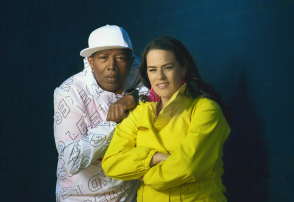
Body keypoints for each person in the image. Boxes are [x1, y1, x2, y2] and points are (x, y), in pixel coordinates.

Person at [102, 36, 231, 202]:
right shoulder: (139, 112)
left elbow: (187, 166)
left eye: (167, 67)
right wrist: (154, 157)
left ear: (183, 67)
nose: (160, 76)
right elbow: (111, 163)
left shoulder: (205, 109)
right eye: (153, 69)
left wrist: (145, 175)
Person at [53, 25, 147, 202]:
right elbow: (71, 161)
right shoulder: (69, 92)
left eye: (120, 58)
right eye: (103, 57)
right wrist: (112, 124)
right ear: (90, 61)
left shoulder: (136, 72)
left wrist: (132, 97)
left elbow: (162, 86)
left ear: (130, 60)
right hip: (80, 196)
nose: (112, 66)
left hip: (128, 194)